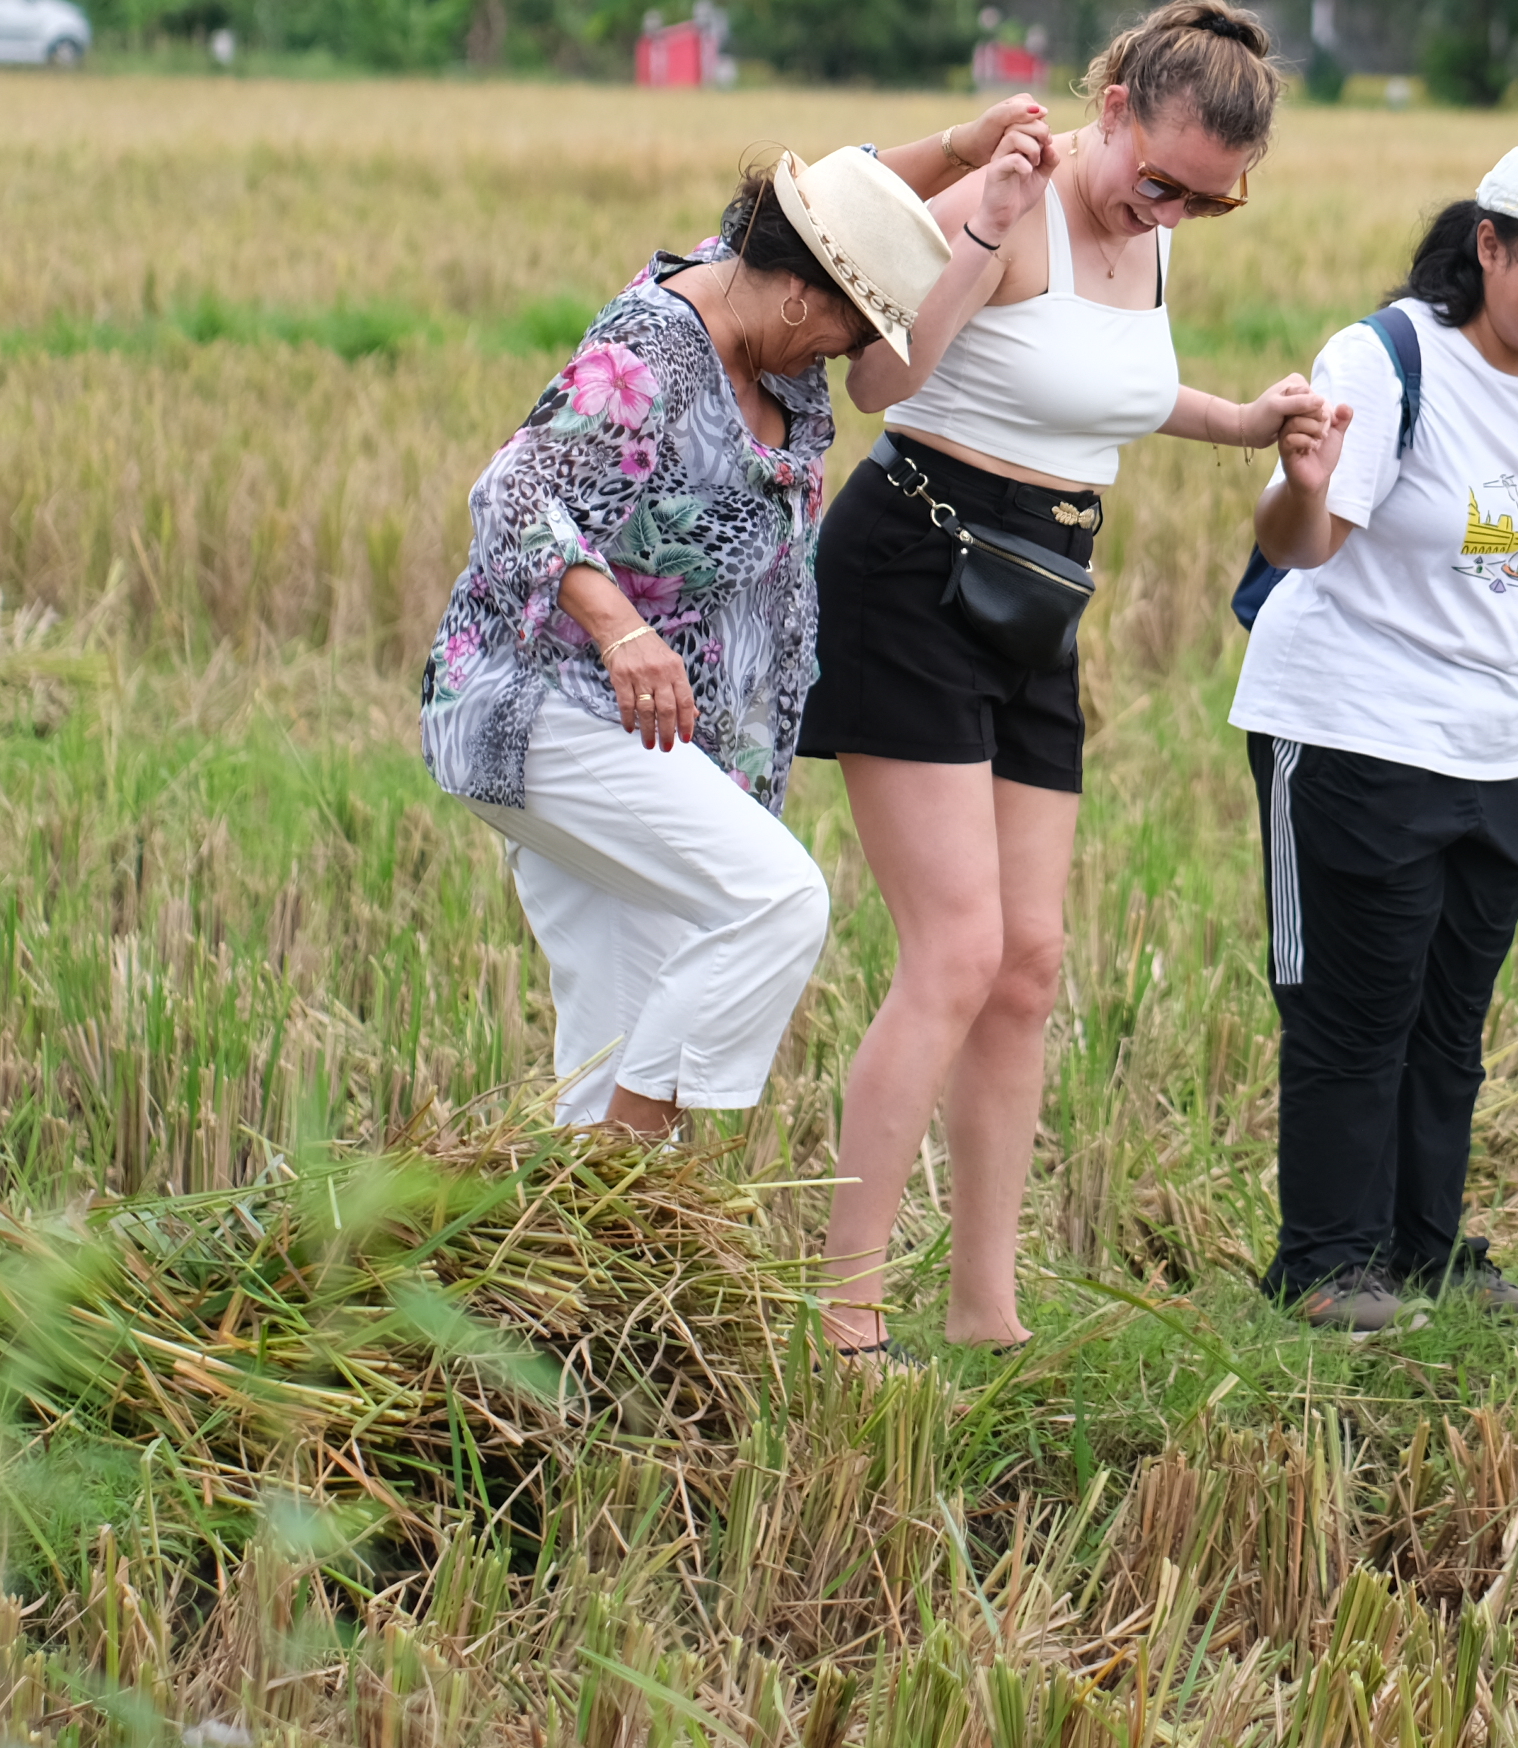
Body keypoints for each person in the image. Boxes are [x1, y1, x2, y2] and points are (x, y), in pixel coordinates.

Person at [804, 0, 1323, 1358]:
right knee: (957, 953)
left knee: (1029, 965)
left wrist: (1244, 422)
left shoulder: (1153, 235)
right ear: (1113, 113)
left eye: (1215, 205)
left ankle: (987, 1313)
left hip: (1038, 594)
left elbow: (1110, 390)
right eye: (1162, 181)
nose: (1176, 214)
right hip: (915, 567)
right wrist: (978, 230)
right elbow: (878, 380)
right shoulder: (1011, 195)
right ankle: (847, 1319)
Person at [415, 115, 1051, 1144]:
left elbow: (841, 202)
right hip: (545, 704)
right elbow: (512, 490)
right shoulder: (655, 348)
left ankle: (576, 1263)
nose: (849, 354)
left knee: (620, 1026)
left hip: (654, 735)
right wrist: (623, 632)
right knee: (776, 900)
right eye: (852, 326)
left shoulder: (765, 304)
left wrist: (970, 146)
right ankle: (620, 1193)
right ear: (803, 293)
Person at [1230, 136, 1518, 1334]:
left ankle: (1427, 1256)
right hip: (1345, 726)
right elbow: (1301, 543)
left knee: (1447, 1020)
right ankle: (1326, 1266)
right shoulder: (1386, 359)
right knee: (1350, 1006)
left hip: (1492, 746)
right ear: (1491, 245)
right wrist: (1296, 479)